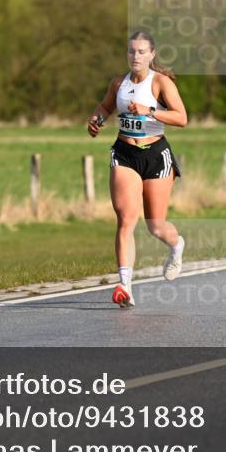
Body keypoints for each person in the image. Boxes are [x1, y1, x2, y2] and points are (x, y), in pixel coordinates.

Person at [86, 31, 188, 307]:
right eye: (132, 51)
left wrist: (149, 111)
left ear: (152, 55)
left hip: (156, 155)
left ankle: (176, 246)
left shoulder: (161, 83)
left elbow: (182, 118)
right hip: (124, 153)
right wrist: (96, 120)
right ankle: (125, 286)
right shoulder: (118, 82)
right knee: (126, 219)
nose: (135, 56)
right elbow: (106, 106)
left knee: (155, 225)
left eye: (142, 52)